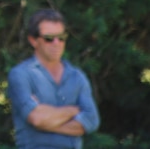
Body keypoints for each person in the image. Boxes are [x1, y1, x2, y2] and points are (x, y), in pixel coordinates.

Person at [7, 8, 100, 149]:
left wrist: (47, 121)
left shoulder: (77, 76)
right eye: (49, 39)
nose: (56, 43)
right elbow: (37, 119)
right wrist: (73, 111)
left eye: (61, 37)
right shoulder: (21, 75)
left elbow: (91, 121)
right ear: (33, 41)